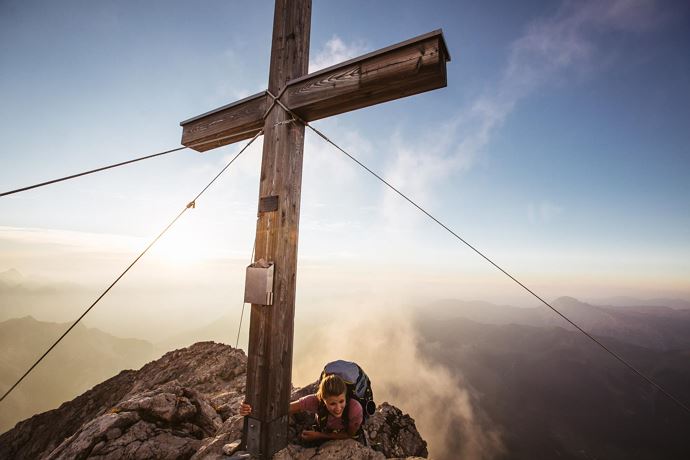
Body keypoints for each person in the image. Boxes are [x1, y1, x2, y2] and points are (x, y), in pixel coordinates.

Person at [239, 374, 363, 442]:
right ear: (322, 399)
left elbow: (349, 434)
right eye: (332, 404)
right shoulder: (314, 401)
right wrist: (251, 409)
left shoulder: (354, 409)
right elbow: (283, 409)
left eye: (341, 401)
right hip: (324, 426)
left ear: (346, 396)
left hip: (340, 433)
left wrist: (319, 435)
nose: (338, 408)